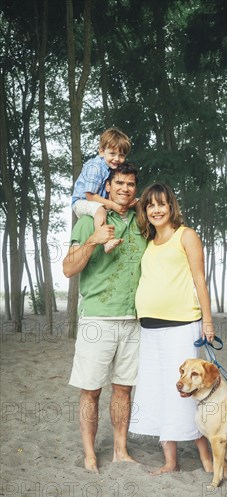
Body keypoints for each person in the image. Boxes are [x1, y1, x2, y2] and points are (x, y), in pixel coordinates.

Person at [63, 162, 146, 472]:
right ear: (107, 187)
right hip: (97, 320)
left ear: (135, 189)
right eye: (119, 183)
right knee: (91, 390)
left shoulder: (142, 221)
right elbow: (69, 268)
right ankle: (89, 454)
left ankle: (120, 451)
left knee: (124, 388)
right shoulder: (89, 221)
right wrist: (94, 240)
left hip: (134, 320)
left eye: (130, 184)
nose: (124, 188)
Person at [129, 183, 215, 475]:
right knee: (160, 391)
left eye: (162, 204)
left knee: (189, 391)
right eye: (150, 205)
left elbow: (199, 278)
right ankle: (170, 461)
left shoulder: (186, 235)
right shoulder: (147, 241)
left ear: (171, 207)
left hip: (182, 326)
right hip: (150, 328)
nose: (156, 210)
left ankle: (207, 460)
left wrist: (208, 320)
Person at [72, 127, 137, 253]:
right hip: (81, 202)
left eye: (121, 155)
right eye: (112, 154)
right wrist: (112, 205)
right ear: (101, 152)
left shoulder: (111, 167)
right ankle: (105, 242)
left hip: (96, 202)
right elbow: (90, 196)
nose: (117, 159)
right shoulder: (95, 167)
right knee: (100, 210)